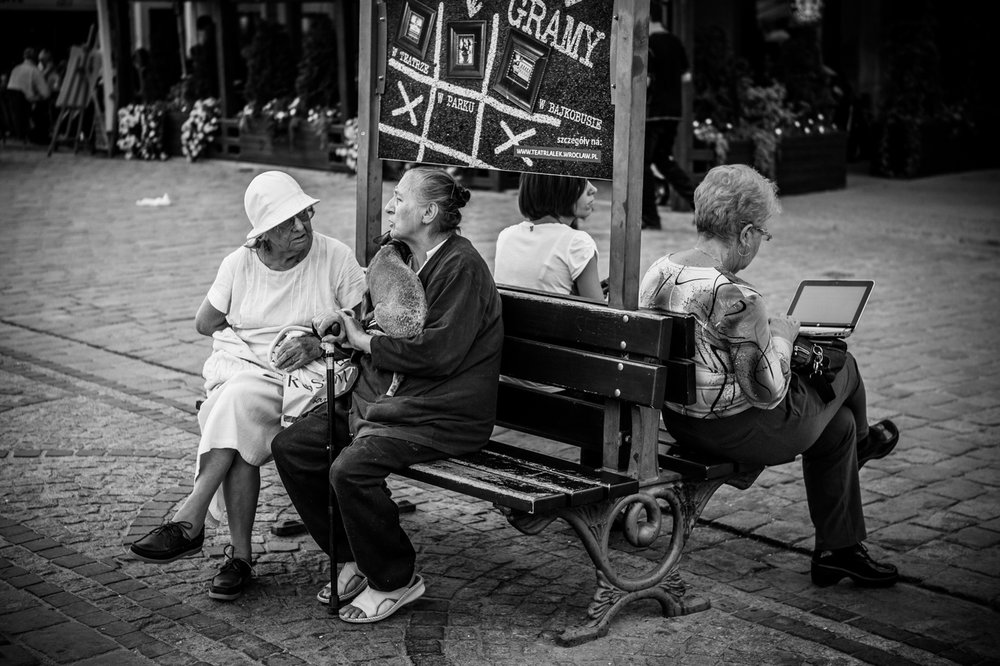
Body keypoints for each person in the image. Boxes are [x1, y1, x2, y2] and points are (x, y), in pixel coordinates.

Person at [639, 164, 900, 588]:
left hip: (681, 421)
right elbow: (769, 393)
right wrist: (781, 334)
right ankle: (867, 445)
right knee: (845, 366)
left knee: (839, 427)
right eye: (762, 233)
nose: (761, 242)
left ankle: (839, 550)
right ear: (744, 234)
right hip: (736, 428)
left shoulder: (660, 269)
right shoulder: (738, 297)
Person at [271, 168, 504, 624]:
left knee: (350, 469)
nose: (391, 206)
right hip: (392, 402)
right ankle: (353, 556)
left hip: (443, 415)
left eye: (400, 198)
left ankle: (394, 579)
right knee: (294, 447)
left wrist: (364, 342)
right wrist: (349, 325)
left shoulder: (461, 266)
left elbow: (438, 353)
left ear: (430, 212)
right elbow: (388, 323)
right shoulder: (401, 257)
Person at [129, 171, 367, 602]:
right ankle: (221, 545)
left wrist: (317, 342)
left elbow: (364, 325)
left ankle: (202, 527)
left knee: (234, 403)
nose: (301, 227)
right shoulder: (240, 263)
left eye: (304, 215)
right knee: (238, 402)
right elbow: (206, 322)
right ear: (262, 237)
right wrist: (251, 343)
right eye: (286, 222)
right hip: (251, 375)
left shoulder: (335, 257)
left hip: (309, 387)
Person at [493, 173, 603, 301]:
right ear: (557, 190)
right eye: (581, 181)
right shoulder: (577, 243)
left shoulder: (507, 236)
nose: (593, 189)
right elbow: (599, 314)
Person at [642, 14, 695, 228]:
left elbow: (645, 80)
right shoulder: (675, 41)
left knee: (642, 165)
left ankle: (650, 218)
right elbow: (686, 77)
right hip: (674, 110)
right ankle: (702, 205)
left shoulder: (648, 43)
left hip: (652, 111)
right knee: (664, 160)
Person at [6, 47, 51, 144]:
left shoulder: (16, 69)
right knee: (43, 104)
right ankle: (40, 136)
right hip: (26, 103)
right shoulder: (34, 71)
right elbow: (46, 93)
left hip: (13, 106)